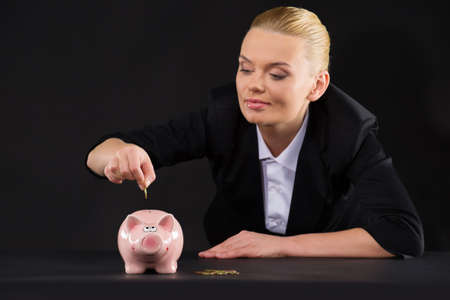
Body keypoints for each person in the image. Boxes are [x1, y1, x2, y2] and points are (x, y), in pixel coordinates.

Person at [86, 6, 424, 259]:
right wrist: (119, 155)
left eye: (276, 75)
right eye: (245, 68)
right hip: (235, 278)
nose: (253, 86)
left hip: (327, 279)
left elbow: (403, 234)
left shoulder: (348, 132)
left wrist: (282, 247)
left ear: (317, 85)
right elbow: (99, 153)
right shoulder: (222, 118)